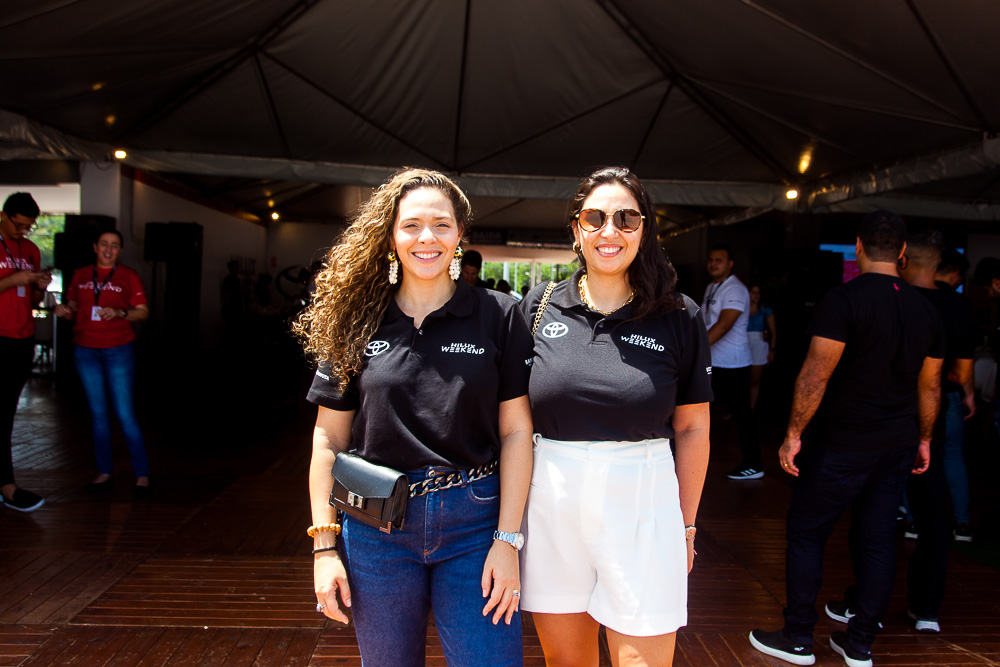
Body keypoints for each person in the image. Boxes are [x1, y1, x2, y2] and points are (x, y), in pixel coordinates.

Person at [296, 169, 533, 666]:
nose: (427, 237)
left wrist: (508, 540)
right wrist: (324, 548)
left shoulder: (498, 315)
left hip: (476, 525)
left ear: (460, 235)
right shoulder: (357, 318)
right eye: (411, 225)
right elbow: (327, 439)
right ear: (391, 236)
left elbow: (516, 431)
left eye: (442, 225)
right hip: (374, 528)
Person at [520, 167, 712, 667]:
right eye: (595, 218)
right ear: (576, 228)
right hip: (551, 504)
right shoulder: (539, 307)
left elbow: (693, 428)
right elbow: (512, 423)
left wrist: (686, 526)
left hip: (643, 505)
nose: (610, 231)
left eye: (626, 218)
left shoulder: (679, 315)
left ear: (644, 230)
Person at [749, 210, 944, 667]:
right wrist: (925, 439)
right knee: (878, 540)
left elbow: (815, 374)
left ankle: (798, 638)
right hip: (896, 443)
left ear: (858, 248)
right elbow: (931, 386)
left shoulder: (843, 300)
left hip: (841, 442)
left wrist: (793, 433)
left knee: (807, 534)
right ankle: (859, 645)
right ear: (902, 252)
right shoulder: (926, 309)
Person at [54, 230, 151, 490]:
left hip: (118, 349)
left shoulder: (128, 276)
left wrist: (120, 312)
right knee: (98, 415)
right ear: (95, 247)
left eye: (115, 246)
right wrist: (63, 311)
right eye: (104, 244)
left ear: (120, 251)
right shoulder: (81, 275)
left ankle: (142, 474)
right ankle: (105, 471)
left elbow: (142, 313)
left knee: (125, 414)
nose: (109, 250)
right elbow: (73, 311)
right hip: (86, 351)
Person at [0, 192, 50, 512]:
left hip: (22, 338)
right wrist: (11, 280)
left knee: (7, 413)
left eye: (28, 227)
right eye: (18, 225)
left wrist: (39, 287)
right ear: (3, 215)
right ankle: (7, 487)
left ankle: (6, 486)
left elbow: (32, 302)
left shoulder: (30, 250)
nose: (23, 231)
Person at [702, 245, 761, 479]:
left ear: (730, 264)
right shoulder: (712, 286)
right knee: (699, 409)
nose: (713, 263)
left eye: (719, 260)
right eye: (711, 259)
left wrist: (695, 350)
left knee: (742, 415)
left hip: (733, 363)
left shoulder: (735, 289)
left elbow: (724, 325)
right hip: (716, 361)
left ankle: (754, 464)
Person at [747, 284, 777, 410]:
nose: (756, 295)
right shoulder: (742, 310)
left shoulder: (765, 311)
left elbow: (773, 332)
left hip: (760, 346)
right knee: (742, 379)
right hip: (744, 345)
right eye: (753, 292)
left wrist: (772, 350)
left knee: (755, 380)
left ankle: (751, 409)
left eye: (758, 293)